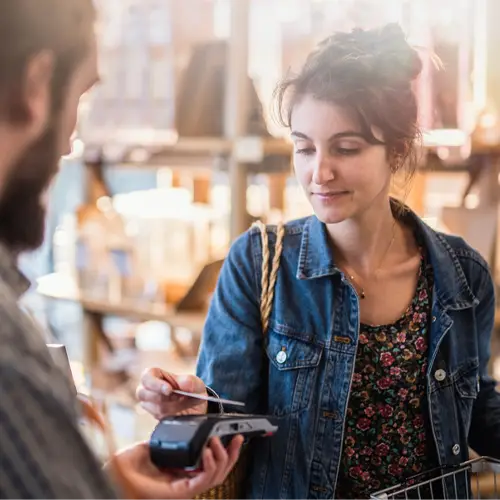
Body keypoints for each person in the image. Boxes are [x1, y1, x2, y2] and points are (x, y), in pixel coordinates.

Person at [137, 23, 500, 499]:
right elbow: (231, 420)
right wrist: (193, 406)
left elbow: (474, 411)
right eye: (304, 147)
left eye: (346, 148)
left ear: (396, 150)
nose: (319, 172)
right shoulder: (259, 261)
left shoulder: (461, 273)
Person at [0, 0, 243, 499]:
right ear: (36, 83)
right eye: (81, 98)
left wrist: (105, 482)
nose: (70, 142)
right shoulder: (10, 358)